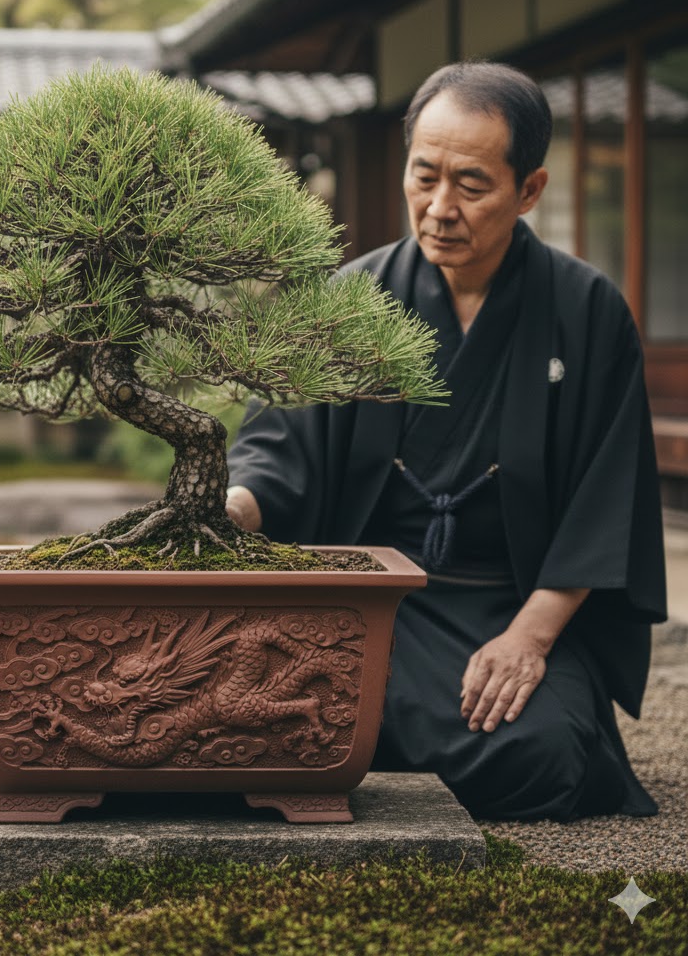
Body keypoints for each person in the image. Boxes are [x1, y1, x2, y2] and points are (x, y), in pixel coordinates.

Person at [225, 60, 667, 821]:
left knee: (544, 752)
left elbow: (607, 497)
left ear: (529, 190)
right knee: (257, 703)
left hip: (511, 600)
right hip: (372, 600)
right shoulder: (347, 302)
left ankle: (361, 762)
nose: (438, 208)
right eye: (423, 176)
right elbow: (280, 449)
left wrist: (529, 638)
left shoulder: (587, 310)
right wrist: (233, 504)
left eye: (471, 185)